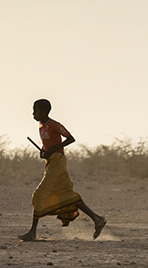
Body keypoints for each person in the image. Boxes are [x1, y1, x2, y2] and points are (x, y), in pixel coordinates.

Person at [19, 99, 106, 241]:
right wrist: (44, 152)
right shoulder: (41, 126)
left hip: (58, 162)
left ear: (44, 111)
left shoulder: (54, 125)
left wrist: (51, 150)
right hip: (51, 162)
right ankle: (98, 219)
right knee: (66, 193)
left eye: (36, 111)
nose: (33, 114)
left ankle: (32, 232)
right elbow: (48, 146)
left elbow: (70, 139)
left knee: (39, 195)